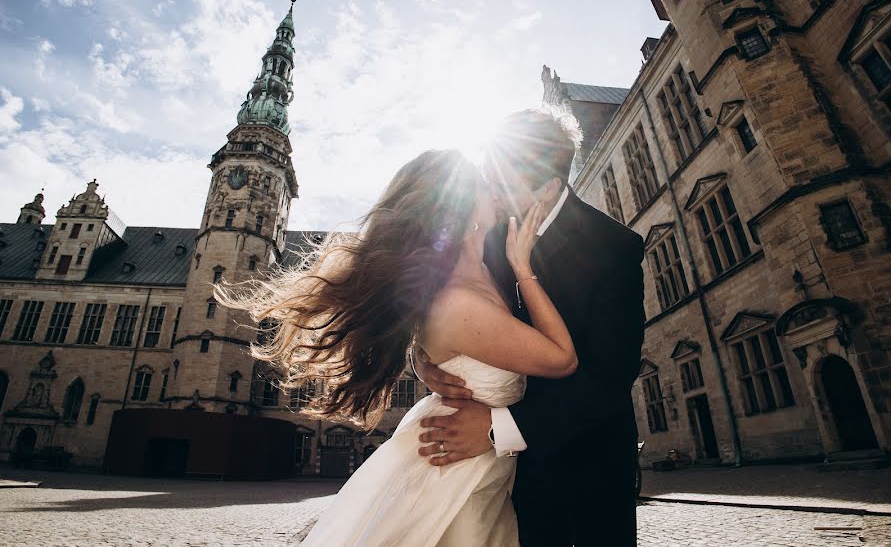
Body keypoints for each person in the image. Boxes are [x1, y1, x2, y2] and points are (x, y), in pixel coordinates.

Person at [214, 148, 580, 546]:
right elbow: (562, 360)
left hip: (472, 459)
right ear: (459, 211)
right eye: (480, 183)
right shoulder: (460, 300)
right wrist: (525, 270)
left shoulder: (481, 265)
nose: (493, 188)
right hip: (453, 469)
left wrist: (421, 358)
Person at [414, 109, 646, 546]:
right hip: (498, 477)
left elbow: (609, 378)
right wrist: (425, 359)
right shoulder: (483, 232)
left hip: (587, 463)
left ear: (550, 187)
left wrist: (495, 428)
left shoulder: (614, 247)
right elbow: (442, 303)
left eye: (501, 184)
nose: (490, 195)